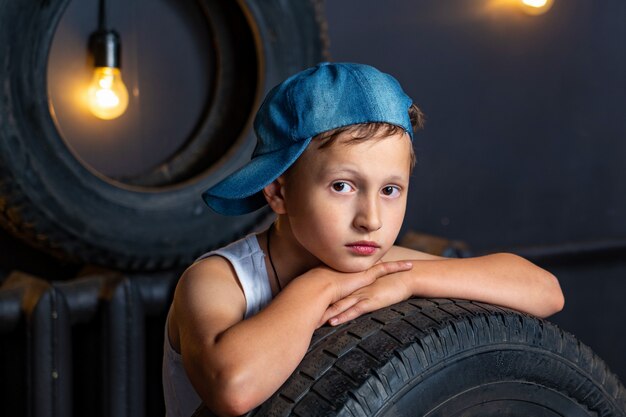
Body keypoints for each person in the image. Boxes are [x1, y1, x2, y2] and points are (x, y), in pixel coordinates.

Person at [162, 62, 564, 417]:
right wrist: (319, 285)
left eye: (390, 190)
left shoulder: (379, 265)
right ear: (278, 192)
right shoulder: (217, 280)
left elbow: (545, 291)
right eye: (342, 186)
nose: (371, 220)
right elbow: (233, 390)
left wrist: (410, 279)